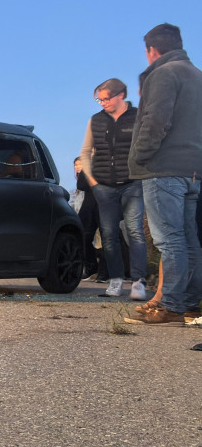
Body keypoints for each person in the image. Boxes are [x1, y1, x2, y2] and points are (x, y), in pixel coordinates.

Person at [128, 23, 202, 324]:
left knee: (170, 240)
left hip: (163, 168)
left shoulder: (163, 73)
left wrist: (140, 156)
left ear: (151, 51)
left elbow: (156, 120)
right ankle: (190, 303)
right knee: (188, 239)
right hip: (193, 171)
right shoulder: (196, 75)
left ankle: (169, 305)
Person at [79, 77, 148, 300]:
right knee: (108, 235)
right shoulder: (95, 120)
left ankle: (138, 282)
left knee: (134, 231)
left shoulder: (139, 116)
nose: (102, 103)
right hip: (104, 187)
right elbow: (85, 151)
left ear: (121, 95)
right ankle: (115, 281)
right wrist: (93, 182)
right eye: (99, 100)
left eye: (106, 99)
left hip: (133, 183)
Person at [70, 157, 101, 278]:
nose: (78, 167)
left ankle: (93, 268)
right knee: (85, 238)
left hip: (92, 207)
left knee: (86, 237)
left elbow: (82, 185)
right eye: (76, 165)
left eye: (80, 164)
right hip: (89, 208)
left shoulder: (89, 173)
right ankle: (92, 268)